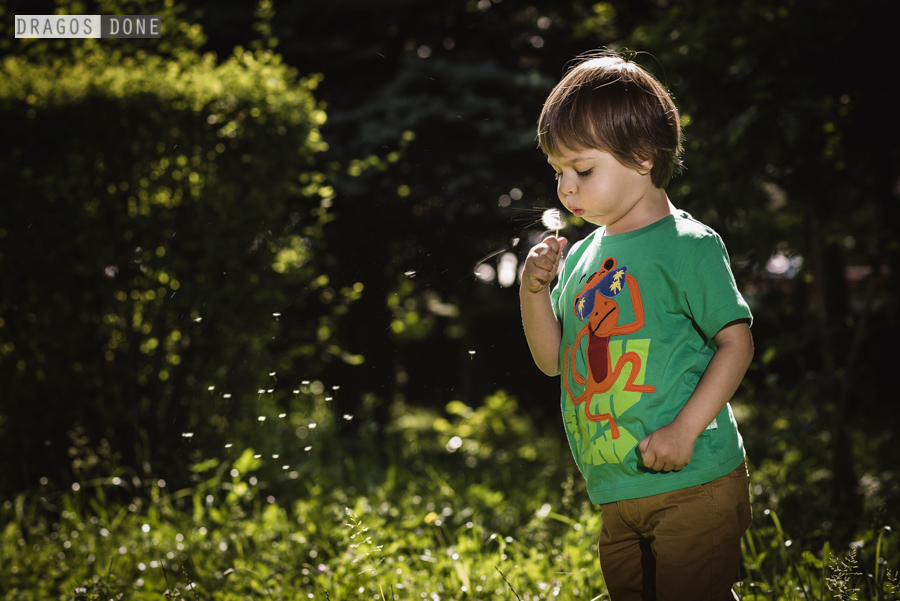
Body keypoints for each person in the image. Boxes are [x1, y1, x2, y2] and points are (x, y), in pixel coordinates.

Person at [520, 51, 755, 601]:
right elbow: (553, 360)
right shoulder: (580, 260)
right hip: (617, 488)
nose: (566, 188)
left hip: (692, 483)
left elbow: (735, 343)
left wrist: (684, 430)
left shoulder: (687, 246)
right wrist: (534, 292)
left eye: (582, 169)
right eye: (558, 172)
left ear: (644, 156)